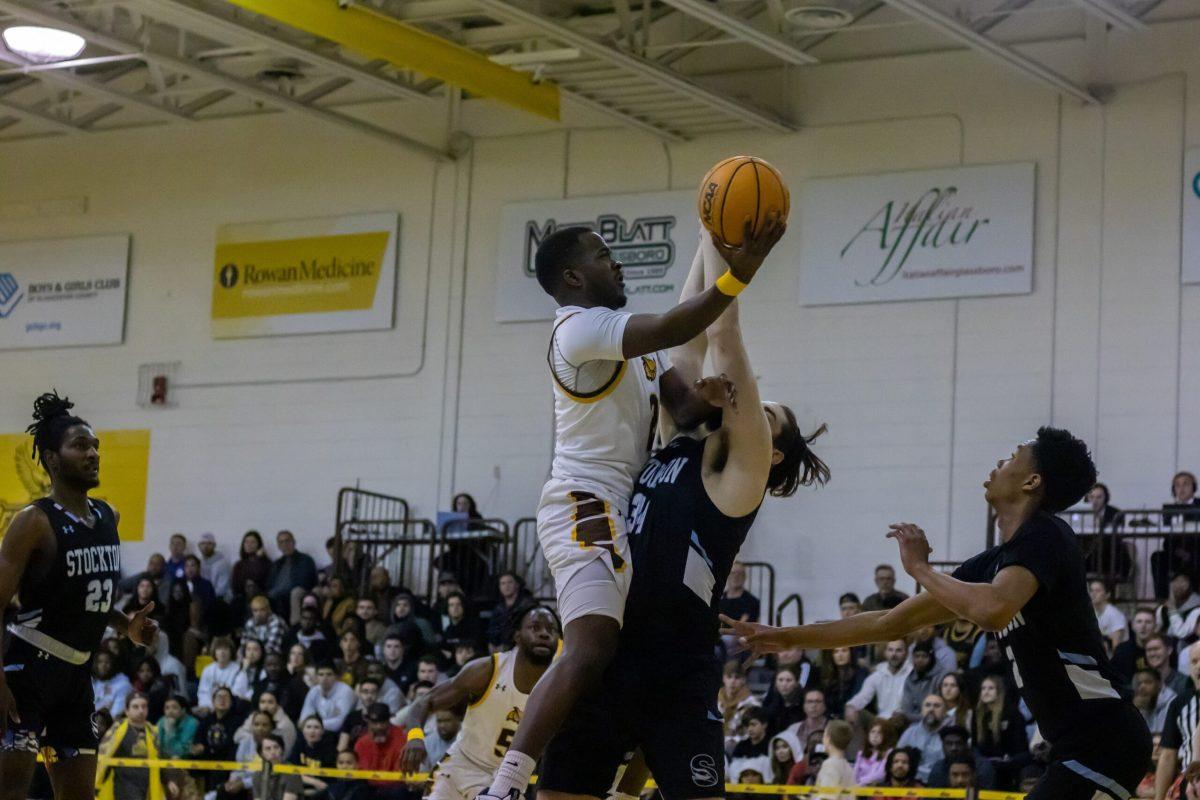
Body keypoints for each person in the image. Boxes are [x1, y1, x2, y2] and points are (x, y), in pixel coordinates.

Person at [478, 215, 785, 800]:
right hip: (582, 500)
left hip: (620, 507)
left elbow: (683, 409)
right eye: (600, 254)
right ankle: (508, 783)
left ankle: (606, 784)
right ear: (572, 277)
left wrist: (709, 398)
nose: (614, 262)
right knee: (592, 645)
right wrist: (734, 272)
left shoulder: (635, 346)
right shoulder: (578, 329)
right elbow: (677, 322)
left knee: (610, 650)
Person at [538, 227, 827, 800]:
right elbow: (681, 344)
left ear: (771, 453)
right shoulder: (678, 439)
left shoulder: (741, 477)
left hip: (676, 672)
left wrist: (737, 256)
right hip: (617, 656)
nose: (755, 410)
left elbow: (718, 331)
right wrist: (708, 229)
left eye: (769, 417)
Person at [725, 426, 1154, 800]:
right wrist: (788, 637)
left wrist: (921, 569)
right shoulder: (993, 563)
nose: (998, 462)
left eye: (1011, 458)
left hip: (1105, 741)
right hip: (1080, 746)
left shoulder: (1048, 536)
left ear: (1032, 481)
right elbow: (887, 622)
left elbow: (992, 611)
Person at [0, 392, 159, 800]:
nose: (92, 454)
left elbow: (83, 596)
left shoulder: (108, 515)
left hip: (76, 675)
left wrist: (127, 626)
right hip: (26, 671)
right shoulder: (33, 521)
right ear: (53, 460)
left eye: (95, 446)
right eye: (80, 446)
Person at [399, 605, 561, 800]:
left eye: (551, 629)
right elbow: (425, 701)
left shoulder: (559, 686)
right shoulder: (487, 670)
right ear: (517, 636)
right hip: (460, 769)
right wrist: (415, 736)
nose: (544, 634)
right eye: (535, 628)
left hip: (507, 779)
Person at [95, 692, 180, 800]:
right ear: (127, 710)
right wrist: (95, 790)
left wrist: (170, 780)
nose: (141, 710)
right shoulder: (117, 731)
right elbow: (104, 760)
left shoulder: (152, 732)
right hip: (124, 790)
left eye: (144, 706)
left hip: (149, 789)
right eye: (135, 707)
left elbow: (161, 757)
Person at [844, 639, 911, 724]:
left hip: (902, 720)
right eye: (890, 650)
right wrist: (851, 706)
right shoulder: (879, 673)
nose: (894, 654)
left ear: (906, 654)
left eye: (899, 650)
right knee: (854, 712)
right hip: (880, 720)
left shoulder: (912, 673)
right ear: (885, 653)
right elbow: (863, 696)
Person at [267, 530, 318, 624]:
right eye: (281, 542)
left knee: (295, 592)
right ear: (278, 546)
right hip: (276, 595)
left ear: (294, 542)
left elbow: (304, 582)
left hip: (296, 592)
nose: (285, 544)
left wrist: (280, 592)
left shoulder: (305, 560)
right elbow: (270, 584)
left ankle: (295, 627)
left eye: (287, 541)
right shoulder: (277, 563)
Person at [926, 725, 997, 789]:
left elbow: (986, 794)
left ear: (966, 745)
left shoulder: (982, 766)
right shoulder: (938, 767)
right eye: (949, 744)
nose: (953, 748)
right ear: (942, 746)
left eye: (958, 743)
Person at [895, 694, 945, 783]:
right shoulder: (909, 733)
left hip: (937, 784)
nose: (931, 709)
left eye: (936, 706)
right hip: (910, 783)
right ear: (922, 710)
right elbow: (896, 758)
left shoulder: (949, 736)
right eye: (928, 705)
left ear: (944, 712)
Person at [897, 640, 946, 725]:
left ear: (931, 658)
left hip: (938, 722)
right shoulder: (910, 679)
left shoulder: (942, 677)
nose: (920, 660)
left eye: (924, 656)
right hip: (913, 723)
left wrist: (908, 717)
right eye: (917, 656)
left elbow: (938, 712)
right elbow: (907, 709)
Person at [300, 662, 357, 733]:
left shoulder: (345, 691)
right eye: (321, 675)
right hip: (319, 731)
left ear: (336, 677)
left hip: (343, 733)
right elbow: (304, 718)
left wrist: (312, 725)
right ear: (316, 678)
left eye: (329, 674)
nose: (324, 678)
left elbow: (338, 723)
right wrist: (313, 726)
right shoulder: (314, 691)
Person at [817, 647, 866, 719]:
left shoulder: (860, 673)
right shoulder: (827, 675)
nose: (840, 655)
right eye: (836, 652)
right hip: (830, 718)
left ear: (851, 653)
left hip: (853, 715)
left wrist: (840, 716)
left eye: (844, 650)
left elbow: (856, 698)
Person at [253, 734, 304, 800]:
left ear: (282, 750)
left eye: (276, 747)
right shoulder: (258, 774)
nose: (273, 752)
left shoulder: (291, 771)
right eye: (268, 748)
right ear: (261, 753)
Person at [1115, 608, 1159, 681]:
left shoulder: (1161, 650)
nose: (1143, 626)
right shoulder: (1122, 650)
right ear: (1133, 626)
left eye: (1148, 622)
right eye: (1139, 622)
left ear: (1155, 626)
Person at [854, 717, 896, 787]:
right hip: (857, 788)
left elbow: (881, 774)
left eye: (879, 733)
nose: (875, 736)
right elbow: (855, 773)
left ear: (886, 735)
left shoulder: (889, 752)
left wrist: (861, 782)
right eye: (872, 732)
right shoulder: (861, 753)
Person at [1134, 669, 1178, 736]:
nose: (1142, 687)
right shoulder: (1140, 704)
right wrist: (1134, 711)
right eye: (1139, 683)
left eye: (1148, 682)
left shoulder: (1172, 702)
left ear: (1159, 684)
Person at [1091, 579, 1129, 651]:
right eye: (1092, 590)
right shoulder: (1092, 612)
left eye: (1097, 591)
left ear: (1107, 595)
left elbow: (1116, 647)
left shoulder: (1115, 614)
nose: (1093, 594)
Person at [155, 695, 197, 760]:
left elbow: (180, 752)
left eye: (174, 708)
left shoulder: (192, 723)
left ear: (183, 710)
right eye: (167, 708)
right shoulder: (162, 721)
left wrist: (170, 731)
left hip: (185, 764)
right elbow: (156, 746)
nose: (170, 711)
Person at [197, 532, 233, 601]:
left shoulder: (223, 563)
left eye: (209, 543)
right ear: (199, 546)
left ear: (214, 545)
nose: (205, 546)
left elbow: (222, 588)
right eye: (203, 543)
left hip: (221, 601)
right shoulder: (199, 562)